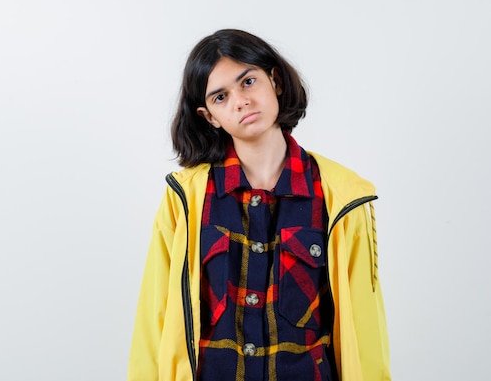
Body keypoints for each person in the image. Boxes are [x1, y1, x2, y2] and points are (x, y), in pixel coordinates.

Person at [127, 29, 390, 381]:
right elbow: (154, 318)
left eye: (248, 81)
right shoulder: (185, 199)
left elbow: (364, 332)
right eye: (221, 97)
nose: (240, 101)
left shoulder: (343, 197)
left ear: (275, 80)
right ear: (210, 117)